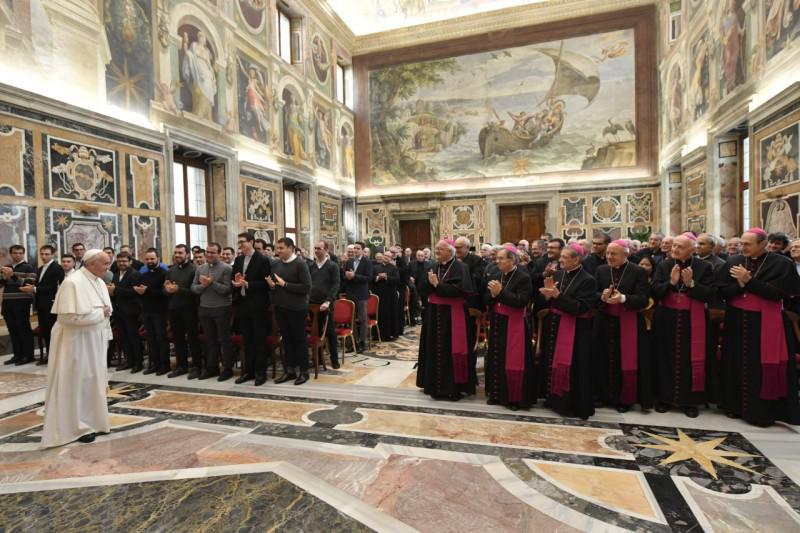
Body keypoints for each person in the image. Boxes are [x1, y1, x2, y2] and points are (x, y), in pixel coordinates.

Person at [716, 228, 800, 426]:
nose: (741, 247)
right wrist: (741, 285)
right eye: (741, 244)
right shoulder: (733, 261)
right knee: (734, 362)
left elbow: (779, 294)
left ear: (763, 244)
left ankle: (762, 411)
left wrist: (749, 281)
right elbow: (722, 292)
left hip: (766, 322)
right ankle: (734, 406)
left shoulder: (782, 263)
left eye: (747, 244)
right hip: (736, 321)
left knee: (760, 366)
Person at [42, 249, 113, 446]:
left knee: (93, 382)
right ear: (91, 264)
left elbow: (105, 310)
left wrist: (104, 322)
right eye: (105, 263)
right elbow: (67, 317)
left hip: (94, 340)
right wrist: (101, 315)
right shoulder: (73, 282)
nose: (109, 267)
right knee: (77, 382)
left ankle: (94, 422)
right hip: (75, 342)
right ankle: (76, 426)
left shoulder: (98, 281)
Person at [651, 234, 716, 418]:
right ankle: (664, 398)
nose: (674, 250)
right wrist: (671, 283)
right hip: (666, 319)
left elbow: (711, 294)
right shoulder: (664, 265)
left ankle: (691, 401)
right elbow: (654, 291)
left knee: (691, 358)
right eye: (674, 247)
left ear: (692, 249)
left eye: (680, 247)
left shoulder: (705, 267)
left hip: (692, 320)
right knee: (664, 356)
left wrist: (691, 284)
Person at [537, 243, 597, 419]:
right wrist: (547, 297)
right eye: (560, 257)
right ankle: (553, 399)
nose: (560, 260)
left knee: (574, 367)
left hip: (576, 331)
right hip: (555, 325)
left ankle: (570, 404)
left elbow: (581, 307)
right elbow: (547, 301)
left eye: (564, 257)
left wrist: (557, 297)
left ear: (576, 259)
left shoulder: (588, 280)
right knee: (551, 361)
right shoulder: (557, 274)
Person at [593, 239, 652, 412]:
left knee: (624, 360)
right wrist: (601, 296)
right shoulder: (601, 270)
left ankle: (624, 399)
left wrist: (623, 298)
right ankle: (603, 395)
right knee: (602, 358)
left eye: (613, 254)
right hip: (604, 321)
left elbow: (643, 300)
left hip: (629, 323)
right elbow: (593, 293)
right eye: (608, 253)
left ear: (626, 254)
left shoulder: (638, 272)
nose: (609, 257)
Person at [416, 239, 476, 400]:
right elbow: (421, 288)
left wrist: (438, 285)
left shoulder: (461, 267)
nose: (436, 253)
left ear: (450, 252)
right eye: (436, 250)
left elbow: (461, 291)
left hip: (453, 315)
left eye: (440, 250)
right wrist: (431, 284)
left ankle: (453, 388)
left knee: (451, 349)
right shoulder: (432, 266)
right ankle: (434, 386)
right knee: (434, 348)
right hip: (434, 314)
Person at [483, 247, 534, 411]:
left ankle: (514, 398)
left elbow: (521, 301)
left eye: (501, 258)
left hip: (515, 324)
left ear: (512, 260)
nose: (497, 261)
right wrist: (491, 296)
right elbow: (486, 299)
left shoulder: (523, 277)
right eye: (496, 258)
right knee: (496, 357)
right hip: (498, 322)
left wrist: (501, 292)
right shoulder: (496, 275)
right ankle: (496, 394)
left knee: (513, 360)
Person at [267, 237, 312, 385]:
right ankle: (290, 370)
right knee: (286, 340)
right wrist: (273, 286)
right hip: (281, 308)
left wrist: (285, 284)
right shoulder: (276, 265)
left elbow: (306, 287)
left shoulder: (300, 264)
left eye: (281, 248)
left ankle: (304, 372)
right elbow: (276, 287)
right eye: (277, 248)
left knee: (299, 340)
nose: (278, 251)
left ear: (291, 248)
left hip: (297, 308)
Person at [231, 232, 272, 386]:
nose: (240, 245)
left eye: (243, 242)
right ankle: (249, 371)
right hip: (242, 304)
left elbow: (266, 283)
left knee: (259, 340)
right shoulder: (239, 259)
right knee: (247, 340)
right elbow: (234, 279)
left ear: (251, 242)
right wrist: (235, 283)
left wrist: (248, 284)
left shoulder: (262, 260)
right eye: (239, 242)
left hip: (258, 306)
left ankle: (260, 373)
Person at [191, 243, 233, 380]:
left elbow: (227, 290)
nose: (209, 255)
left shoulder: (226, 268)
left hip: (222, 308)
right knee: (210, 341)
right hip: (204, 308)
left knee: (224, 340)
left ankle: (227, 368)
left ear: (219, 254)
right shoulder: (200, 268)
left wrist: (211, 283)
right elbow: (194, 288)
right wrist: (203, 285)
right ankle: (212, 368)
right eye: (207, 252)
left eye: (212, 252)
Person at [20, 245, 64, 365]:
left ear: (53, 254)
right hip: (41, 305)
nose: (44, 256)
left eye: (47, 254)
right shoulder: (40, 268)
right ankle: (48, 355)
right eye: (42, 254)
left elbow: (55, 288)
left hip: (50, 305)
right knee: (45, 331)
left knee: (51, 332)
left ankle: (54, 357)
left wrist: (34, 289)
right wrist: (31, 286)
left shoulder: (57, 268)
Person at [164, 244, 202, 379]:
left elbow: (196, 292)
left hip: (190, 309)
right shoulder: (171, 270)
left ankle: (197, 366)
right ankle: (181, 366)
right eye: (176, 253)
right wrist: (167, 290)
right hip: (174, 309)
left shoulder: (194, 270)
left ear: (187, 254)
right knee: (177, 338)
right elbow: (166, 289)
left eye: (180, 252)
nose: (177, 255)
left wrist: (178, 289)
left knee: (192, 339)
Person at [134, 249, 170, 375]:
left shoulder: (164, 273)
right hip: (146, 311)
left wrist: (147, 290)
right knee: (151, 339)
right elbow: (141, 292)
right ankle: (155, 364)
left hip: (160, 311)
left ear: (158, 259)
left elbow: (164, 293)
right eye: (147, 259)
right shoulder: (143, 275)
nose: (149, 261)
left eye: (152, 259)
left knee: (161, 338)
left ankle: (165, 365)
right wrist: (139, 291)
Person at [1, 245, 35, 365]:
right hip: (7, 302)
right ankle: (17, 355)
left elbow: (29, 284)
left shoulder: (28, 267)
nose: (18, 255)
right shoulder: (7, 267)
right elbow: (1, 284)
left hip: (22, 302)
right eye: (15, 253)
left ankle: (28, 355)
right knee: (13, 330)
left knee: (23, 329)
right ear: (11, 254)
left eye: (20, 253)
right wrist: (5, 277)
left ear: (23, 254)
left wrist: (13, 276)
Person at [109, 252, 142, 372]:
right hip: (118, 311)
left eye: (124, 261)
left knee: (133, 337)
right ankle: (129, 361)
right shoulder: (116, 274)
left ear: (130, 262)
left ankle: (138, 363)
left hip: (131, 311)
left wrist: (115, 290)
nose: (122, 263)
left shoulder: (135, 274)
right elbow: (114, 291)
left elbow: (134, 292)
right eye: (119, 261)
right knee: (124, 338)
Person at [310, 240, 340, 368]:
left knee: (330, 332)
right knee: (315, 332)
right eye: (315, 248)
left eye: (319, 248)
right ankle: (318, 359)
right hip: (312, 304)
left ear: (326, 250)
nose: (317, 251)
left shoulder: (332, 266)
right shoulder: (311, 266)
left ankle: (334, 359)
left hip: (326, 304)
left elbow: (335, 285)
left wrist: (328, 300)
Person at [343, 242, 373, 351]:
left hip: (361, 294)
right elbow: (344, 277)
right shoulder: (349, 261)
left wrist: (355, 276)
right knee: (351, 319)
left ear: (362, 250)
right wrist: (347, 276)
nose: (355, 250)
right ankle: (353, 342)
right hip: (350, 293)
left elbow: (369, 278)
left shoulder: (367, 262)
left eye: (358, 248)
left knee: (362, 319)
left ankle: (362, 342)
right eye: (354, 248)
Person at [371, 252, 402, 341]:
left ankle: (389, 334)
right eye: (385, 256)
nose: (386, 257)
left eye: (389, 256)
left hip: (390, 296)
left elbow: (397, 279)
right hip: (378, 295)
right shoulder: (376, 267)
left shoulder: (394, 268)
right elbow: (371, 278)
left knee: (389, 314)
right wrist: (378, 277)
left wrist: (386, 277)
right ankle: (377, 334)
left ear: (391, 258)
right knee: (378, 314)